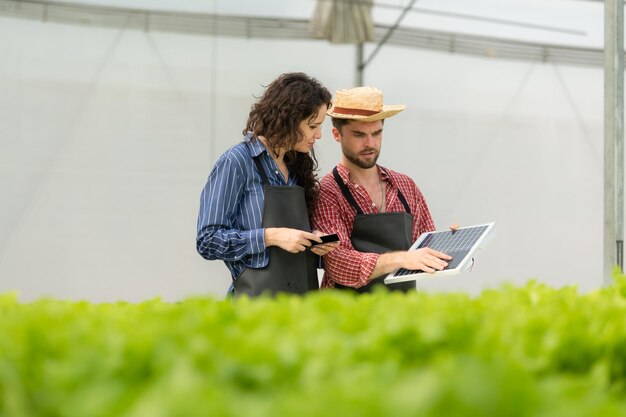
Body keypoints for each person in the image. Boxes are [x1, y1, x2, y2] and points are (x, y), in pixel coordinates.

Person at [196, 72, 338, 298]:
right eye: (313, 126)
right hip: (254, 307)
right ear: (289, 120)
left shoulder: (298, 166)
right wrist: (270, 237)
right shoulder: (237, 162)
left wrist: (314, 244)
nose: (319, 135)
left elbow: (293, 240)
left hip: (301, 303)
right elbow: (208, 241)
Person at [312, 86, 453, 293]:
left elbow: (424, 247)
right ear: (336, 134)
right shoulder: (328, 191)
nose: (370, 143)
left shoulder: (405, 186)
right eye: (359, 135)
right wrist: (402, 258)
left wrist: (455, 242)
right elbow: (340, 264)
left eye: (377, 133)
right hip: (346, 317)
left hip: (401, 312)